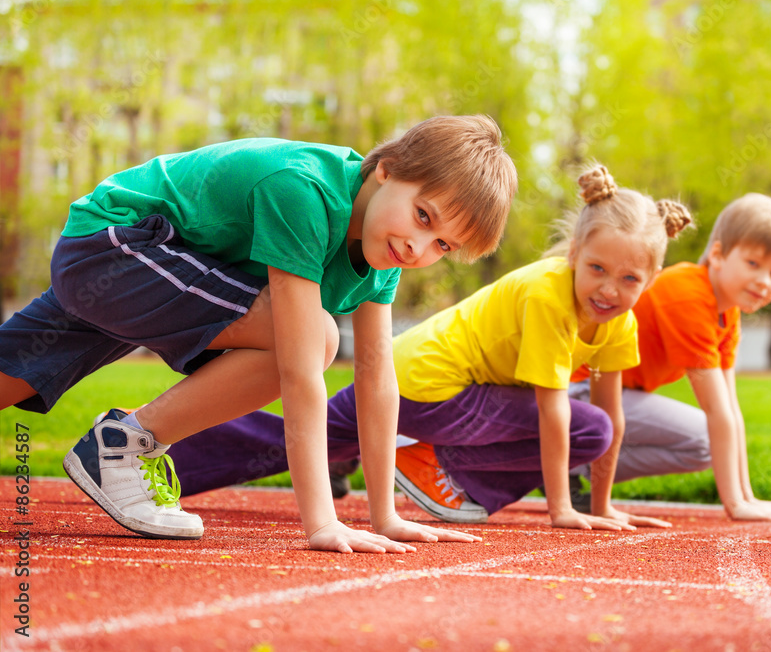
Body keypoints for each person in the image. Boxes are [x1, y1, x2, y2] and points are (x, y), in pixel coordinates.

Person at [0, 115, 518, 552]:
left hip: (142, 268)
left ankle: (121, 444)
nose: (418, 247)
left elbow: (377, 377)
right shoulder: (304, 191)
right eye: (423, 216)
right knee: (316, 339)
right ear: (386, 171)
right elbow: (298, 368)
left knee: (14, 372)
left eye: (442, 245)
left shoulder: (384, 251)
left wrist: (384, 516)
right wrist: (321, 522)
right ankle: (123, 444)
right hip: (116, 247)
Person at [165, 164, 691, 532]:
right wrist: (562, 510)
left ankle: (158, 469)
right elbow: (557, 414)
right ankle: (437, 471)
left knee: (300, 435)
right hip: (433, 386)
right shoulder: (548, 295)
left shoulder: (618, 318)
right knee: (586, 428)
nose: (608, 289)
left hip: (409, 374)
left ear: (652, 278)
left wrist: (604, 505)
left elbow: (616, 414)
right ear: (576, 252)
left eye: (628, 279)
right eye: (597, 268)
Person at [567, 193, 771, 523]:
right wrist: (735, 505)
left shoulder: (727, 312)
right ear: (719, 255)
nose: (764, 281)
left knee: (704, 445)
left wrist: (750, 497)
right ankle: (557, 456)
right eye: (753, 264)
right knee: (705, 435)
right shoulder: (688, 296)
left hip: (618, 396)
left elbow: (732, 408)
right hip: (581, 392)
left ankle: (572, 465)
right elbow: (716, 410)